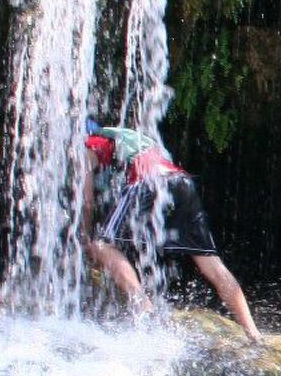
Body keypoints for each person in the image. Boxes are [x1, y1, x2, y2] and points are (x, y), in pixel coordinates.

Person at [82, 120, 261, 341]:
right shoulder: (129, 139)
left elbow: (86, 199)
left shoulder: (90, 143)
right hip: (181, 182)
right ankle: (253, 334)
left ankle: (142, 306)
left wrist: (84, 233)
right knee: (212, 264)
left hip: (146, 180)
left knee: (102, 245)